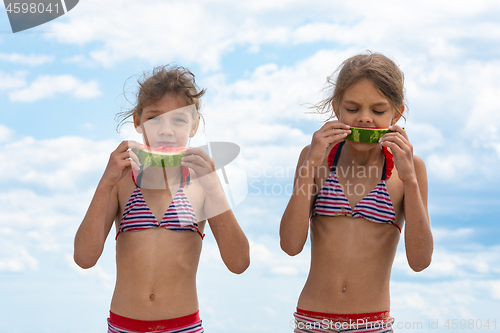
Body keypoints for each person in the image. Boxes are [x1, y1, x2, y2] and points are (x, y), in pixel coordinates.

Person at [74, 65, 250, 333]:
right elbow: (84, 257)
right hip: (124, 326)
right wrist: (105, 183)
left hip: (183, 326)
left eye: (179, 120)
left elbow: (239, 263)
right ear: (138, 121)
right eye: (155, 118)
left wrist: (214, 188)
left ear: (195, 125)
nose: (166, 130)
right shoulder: (122, 181)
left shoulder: (202, 184)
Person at [280, 51, 433, 332]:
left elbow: (420, 261)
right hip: (312, 320)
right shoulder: (314, 157)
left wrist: (410, 180)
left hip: (372, 324)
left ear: (396, 113)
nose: (364, 119)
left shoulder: (410, 170)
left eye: (377, 111)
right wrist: (310, 167)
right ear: (337, 108)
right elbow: (290, 245)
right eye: (352, 109)